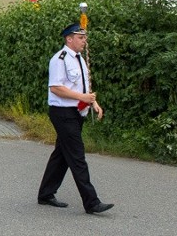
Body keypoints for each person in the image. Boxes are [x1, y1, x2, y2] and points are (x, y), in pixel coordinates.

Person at [37, 23, 114, 214]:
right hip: (62, 113)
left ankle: (45, 194)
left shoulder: (79, 59)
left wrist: (92, 102)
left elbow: (82, 87)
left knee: (61, 155)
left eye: (84, 37)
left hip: (76, 113)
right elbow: (55, 88)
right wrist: (83, 98)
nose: (84, 41)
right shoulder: (60, 59)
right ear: (69, 39)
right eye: (80, 37)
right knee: (77, 157)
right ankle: (92, 202)